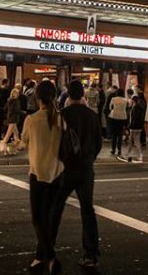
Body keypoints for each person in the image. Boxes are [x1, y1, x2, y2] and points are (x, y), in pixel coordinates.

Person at [49, 79, 102, 270]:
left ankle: (47, 248)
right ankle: (91, 253)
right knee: (87, 209)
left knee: (56, 208)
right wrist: (88, 159)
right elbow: (98, 143)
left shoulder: (62, 115)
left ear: (68, 95)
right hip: (86, 169)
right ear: (83, 95)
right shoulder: (92, 115)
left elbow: (54, 142)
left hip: (65, 168)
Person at [20, 79, 63, 275]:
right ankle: (41, 255)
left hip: (38, 173)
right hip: (57, 173)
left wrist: (6, 145)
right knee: (50, 218)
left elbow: (23, 142)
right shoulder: (61, 119)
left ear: (37, 97)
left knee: (38, 218)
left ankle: (50, 256)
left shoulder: (31, 120)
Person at [0, 87, 22, 154]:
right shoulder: (16, 101)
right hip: (14, 118)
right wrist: (22, 112)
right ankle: (3, 147)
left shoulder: (9, 100)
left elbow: (5, 108)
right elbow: (17, 110)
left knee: (16, 134)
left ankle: (15, 148)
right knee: (8, 135)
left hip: (9, 118)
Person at [107, 88, 128, 157]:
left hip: (114, 117)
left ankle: (113, 149)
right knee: (120, 134)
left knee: (114, 134)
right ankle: (119, 149)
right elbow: (126, 108)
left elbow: (110, 108)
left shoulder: (113, 99)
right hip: (122, 117)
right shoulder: (125, 100)